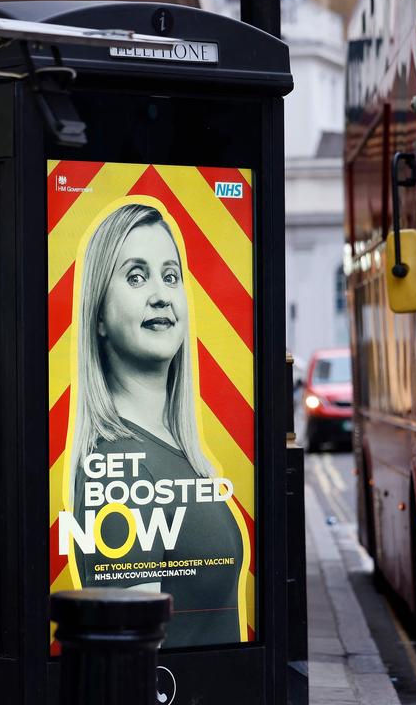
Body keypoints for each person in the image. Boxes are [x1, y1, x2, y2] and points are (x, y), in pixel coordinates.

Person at [69, 203, 242, 647]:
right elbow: (131, 663)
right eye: (135, 276)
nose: (162, 294)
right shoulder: (116, 467)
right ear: (100, 315)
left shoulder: (173, 449)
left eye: (170, 276)